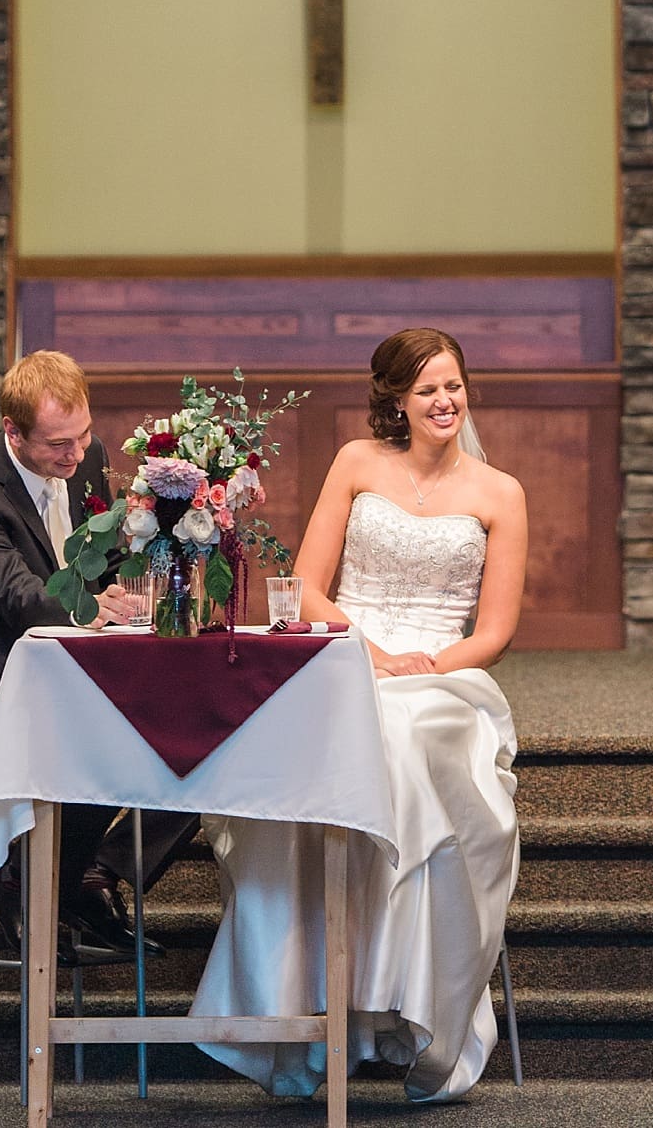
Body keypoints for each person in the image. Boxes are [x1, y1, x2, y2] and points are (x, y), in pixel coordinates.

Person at [192, 326, 528, 1103]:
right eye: (426, 391)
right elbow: (307, 588)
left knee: (407, 735)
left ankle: (405, 996)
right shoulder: (355, 463)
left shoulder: (498, 491)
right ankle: (308, 1000)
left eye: (452, 386)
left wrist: (425, 664)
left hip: (448, 679)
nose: (444, 402)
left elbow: (495, 633)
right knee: (313, 739)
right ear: (397, 402)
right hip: (351, 655)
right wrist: (371, 654)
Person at [0, 347, 194, 955]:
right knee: (103, 748)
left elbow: (106, 558)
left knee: (203, 741)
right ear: (12, 432)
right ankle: (25, 882)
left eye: (83, 437)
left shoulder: (89, 459)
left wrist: (126, 590)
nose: (75, 456)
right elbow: (16, 595)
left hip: (79, 681)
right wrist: (92, 608)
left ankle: (90, 873)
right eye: (57, 446)